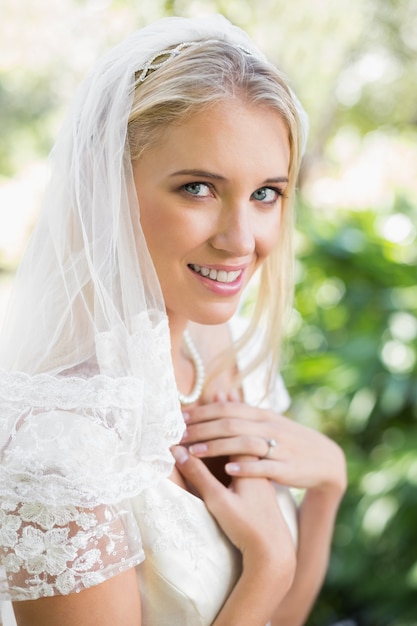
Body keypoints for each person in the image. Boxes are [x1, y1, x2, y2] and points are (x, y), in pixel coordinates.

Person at [0, 14, 347, 626]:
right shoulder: (61, 447)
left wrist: (327, 488)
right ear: (106, 186)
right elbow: (268, 590)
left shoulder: (222, 352)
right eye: (198, 188)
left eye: (266, 192)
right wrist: (267, 570)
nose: (242, 241)